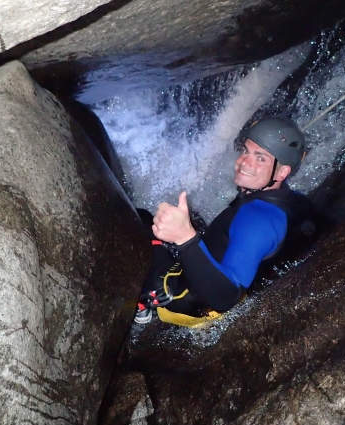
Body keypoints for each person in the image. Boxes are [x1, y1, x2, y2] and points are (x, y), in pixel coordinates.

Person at [134, 117, 317, 326]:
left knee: (141, 219)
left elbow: (224, 298)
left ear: (282, 172)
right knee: (188, 217)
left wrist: (186, 239)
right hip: (222, 270)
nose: (244, 162)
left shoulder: (257, 220)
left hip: (188, 302)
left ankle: (141, 307)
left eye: (261, 159)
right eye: (246, 151)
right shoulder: (285, 200)